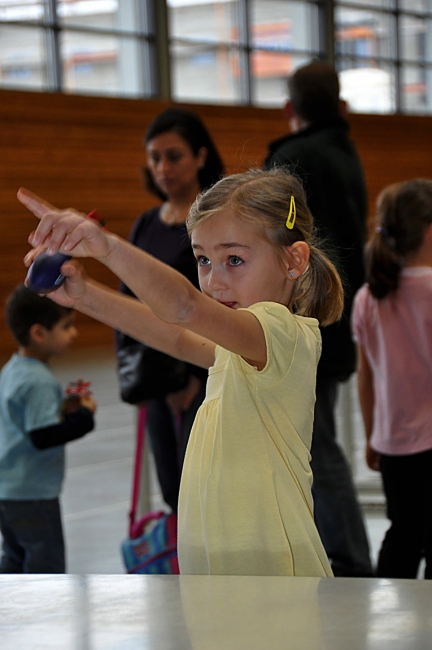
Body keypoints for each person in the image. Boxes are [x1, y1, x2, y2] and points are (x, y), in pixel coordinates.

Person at [19, 167, 344, 577]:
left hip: (270, 565)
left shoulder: (282, 335)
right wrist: (85, 297)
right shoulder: (238, 345)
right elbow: (175, 336)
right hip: (221, 557)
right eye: (204, 259)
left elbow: (185, 308)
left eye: (235, 259)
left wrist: (108, 248)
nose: (214, 280)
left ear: (293, 260)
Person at [264, 60, 373, 577]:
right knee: (317, 442)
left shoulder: (292, 160)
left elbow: (273, 237)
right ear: (341, 107)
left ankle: (350, 558)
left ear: (289, 109)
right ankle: (344, 553)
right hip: (336, 312)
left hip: (306, 317)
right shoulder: (346, 153)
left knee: (317, 446)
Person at [115, 107, 225, 512]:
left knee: (204, 492)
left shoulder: (214, 221)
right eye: (155, 157)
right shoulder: (145, 224)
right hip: (154, 377)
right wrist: (138, 377)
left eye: (174, 156)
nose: (163, 167)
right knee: (173, 491)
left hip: (201, 373)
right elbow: (127, 302)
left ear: (200, 156)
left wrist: (193, 377)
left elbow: (217, 299)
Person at [352, 179, 432, 579]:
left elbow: (365, 376)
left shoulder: (368, 297)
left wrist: (371, 435)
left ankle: (387, 622)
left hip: (394, 444)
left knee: (403, 534)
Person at [0, 284, 96, 573]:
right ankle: (45, 618)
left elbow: (27, 420)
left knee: (15, 558)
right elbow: (43, 436)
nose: (74, 333)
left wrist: (64, 409)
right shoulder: (39, 381)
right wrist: (84, 417)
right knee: (46, 566)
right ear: (39, 333)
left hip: (8, 490)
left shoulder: (13, 369)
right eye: (66, 326)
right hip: (34, 495)